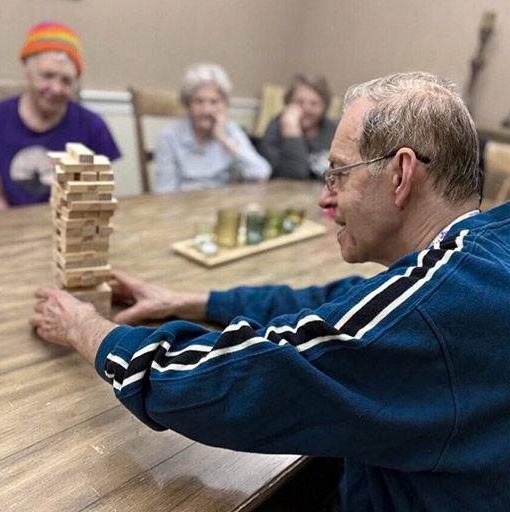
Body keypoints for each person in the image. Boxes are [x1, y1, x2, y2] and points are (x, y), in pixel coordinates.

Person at [30, 71, 510, 511]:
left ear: (401, 175)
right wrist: (190, 301)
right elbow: (339, 301)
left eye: (338, 173)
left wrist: (84, 327)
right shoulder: (479, 254)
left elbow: (217, 382)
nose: (325, 198)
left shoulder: (429, 313)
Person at [0, 22, 121, 210]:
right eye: (47, 75)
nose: (56, 89)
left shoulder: (94, 127)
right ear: (25, 68)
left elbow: (99, 195)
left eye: (66, 80)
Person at [155, 63, 270, 192]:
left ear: (225, 104)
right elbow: (165, 190)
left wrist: (224, 139)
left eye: (214, 102)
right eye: (199, 102)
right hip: (185, 206)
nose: (207, 110)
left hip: (224, 205)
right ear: (188, 104)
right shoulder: (169, 135)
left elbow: (261, 173)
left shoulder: (230, 130)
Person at [259, 74, 337, 180]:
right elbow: (295, 173)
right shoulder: (276, 127)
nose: (306, 109)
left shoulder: (331, 130)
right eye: (299, 102)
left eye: (314, 104)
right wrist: (291, 131)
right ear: (288, 103)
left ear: (324, 108)